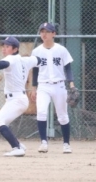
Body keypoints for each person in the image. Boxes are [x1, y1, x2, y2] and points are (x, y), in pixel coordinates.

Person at [0, 36, 39, 157]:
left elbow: (1, 63)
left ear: (15, 49)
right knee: (0, 124)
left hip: (16, 100)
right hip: (18, 99)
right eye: (3, 46)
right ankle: (18, 144)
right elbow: (39, 60)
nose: (4, 48)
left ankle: (17, 148)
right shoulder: (25, 60)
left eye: (7, 46)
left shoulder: (11, 59)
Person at [30, 22, 75, 154]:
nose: (44, 34)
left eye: (47, 31)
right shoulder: (36, 51)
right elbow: (35, 71)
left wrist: (71, 84)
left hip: (59, 85)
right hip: (43, 86)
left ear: (53, 34)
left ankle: (66, 144)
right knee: (41, 112)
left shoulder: (61, 50)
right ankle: (44, 142)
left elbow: (68, 68)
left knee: (62, 116)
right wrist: (34, 88)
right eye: (42, 31)